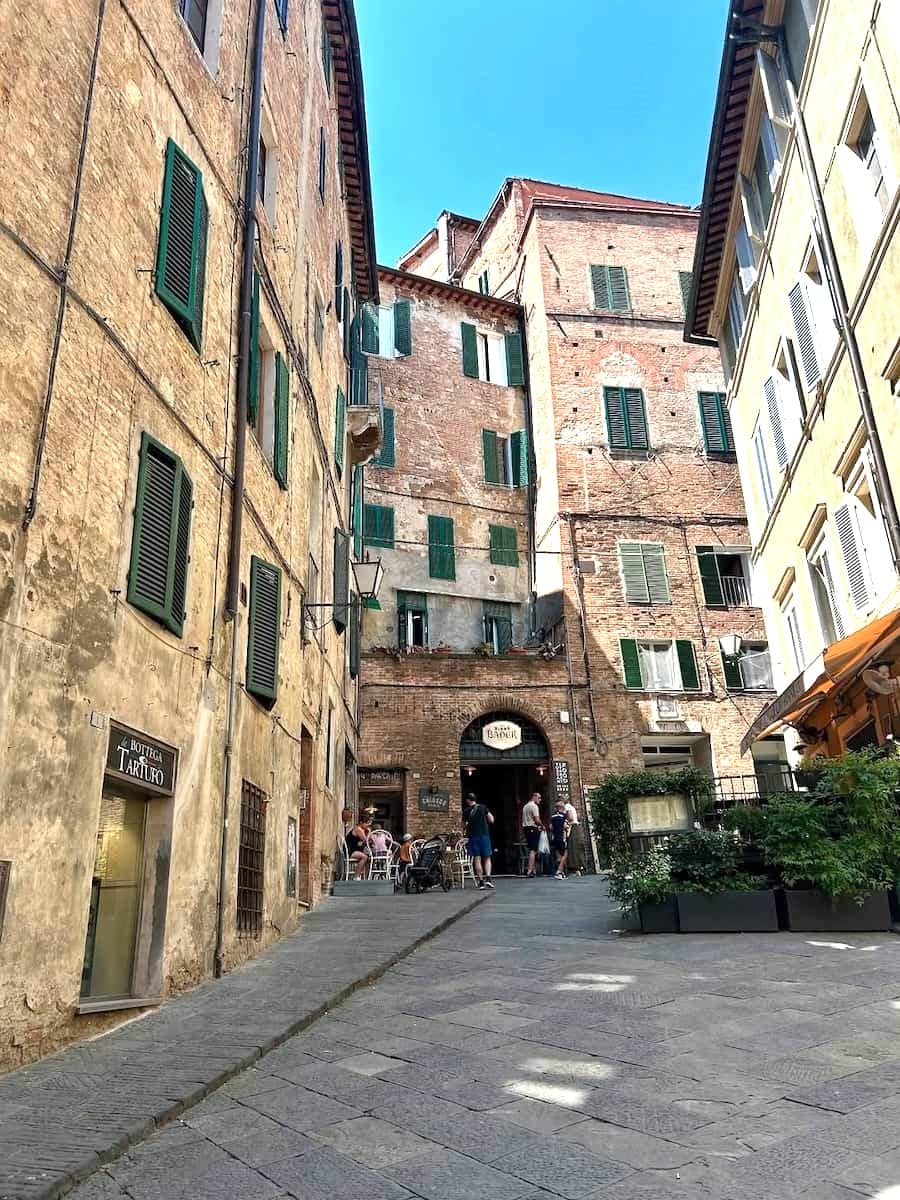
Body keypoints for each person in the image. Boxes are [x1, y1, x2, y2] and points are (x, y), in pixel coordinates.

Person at [462, 793, 495, 889]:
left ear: (468, 800)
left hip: (473, 836)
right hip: (484, 835)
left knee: (477, 858)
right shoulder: (483, 807)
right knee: (487, 857)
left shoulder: (466, 811)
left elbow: (463, 826)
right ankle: (488, 878)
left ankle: (481, 881)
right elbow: (492, 819)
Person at [522, 792, 543, 878]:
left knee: (531, 848)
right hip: (532, 828)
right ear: (534, 797)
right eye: (539, 798)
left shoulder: (525, 806)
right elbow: (537, 820)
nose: (540, 800)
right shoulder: (534, 806)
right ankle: (530, 870)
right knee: (533, 850)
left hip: (526, 828)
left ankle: (533, 870)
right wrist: (542, 826)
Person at [563, 800, 585, 875]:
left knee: (572, 848)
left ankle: (574, 869)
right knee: (575, 847)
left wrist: (566, 823)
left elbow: (571, 817)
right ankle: (578, 867)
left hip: (572, 827)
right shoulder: (571, 807)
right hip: (575, 826)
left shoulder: (567, 807)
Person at [550, 799, 569, 880]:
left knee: (559, 856)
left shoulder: (553, 816)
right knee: (565, 854)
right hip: (561, 837)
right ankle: (558, 872)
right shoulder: (564, 816)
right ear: (562, 807)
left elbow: (550, 827)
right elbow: (565, 826)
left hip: (554, 837)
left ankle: (562, 873)